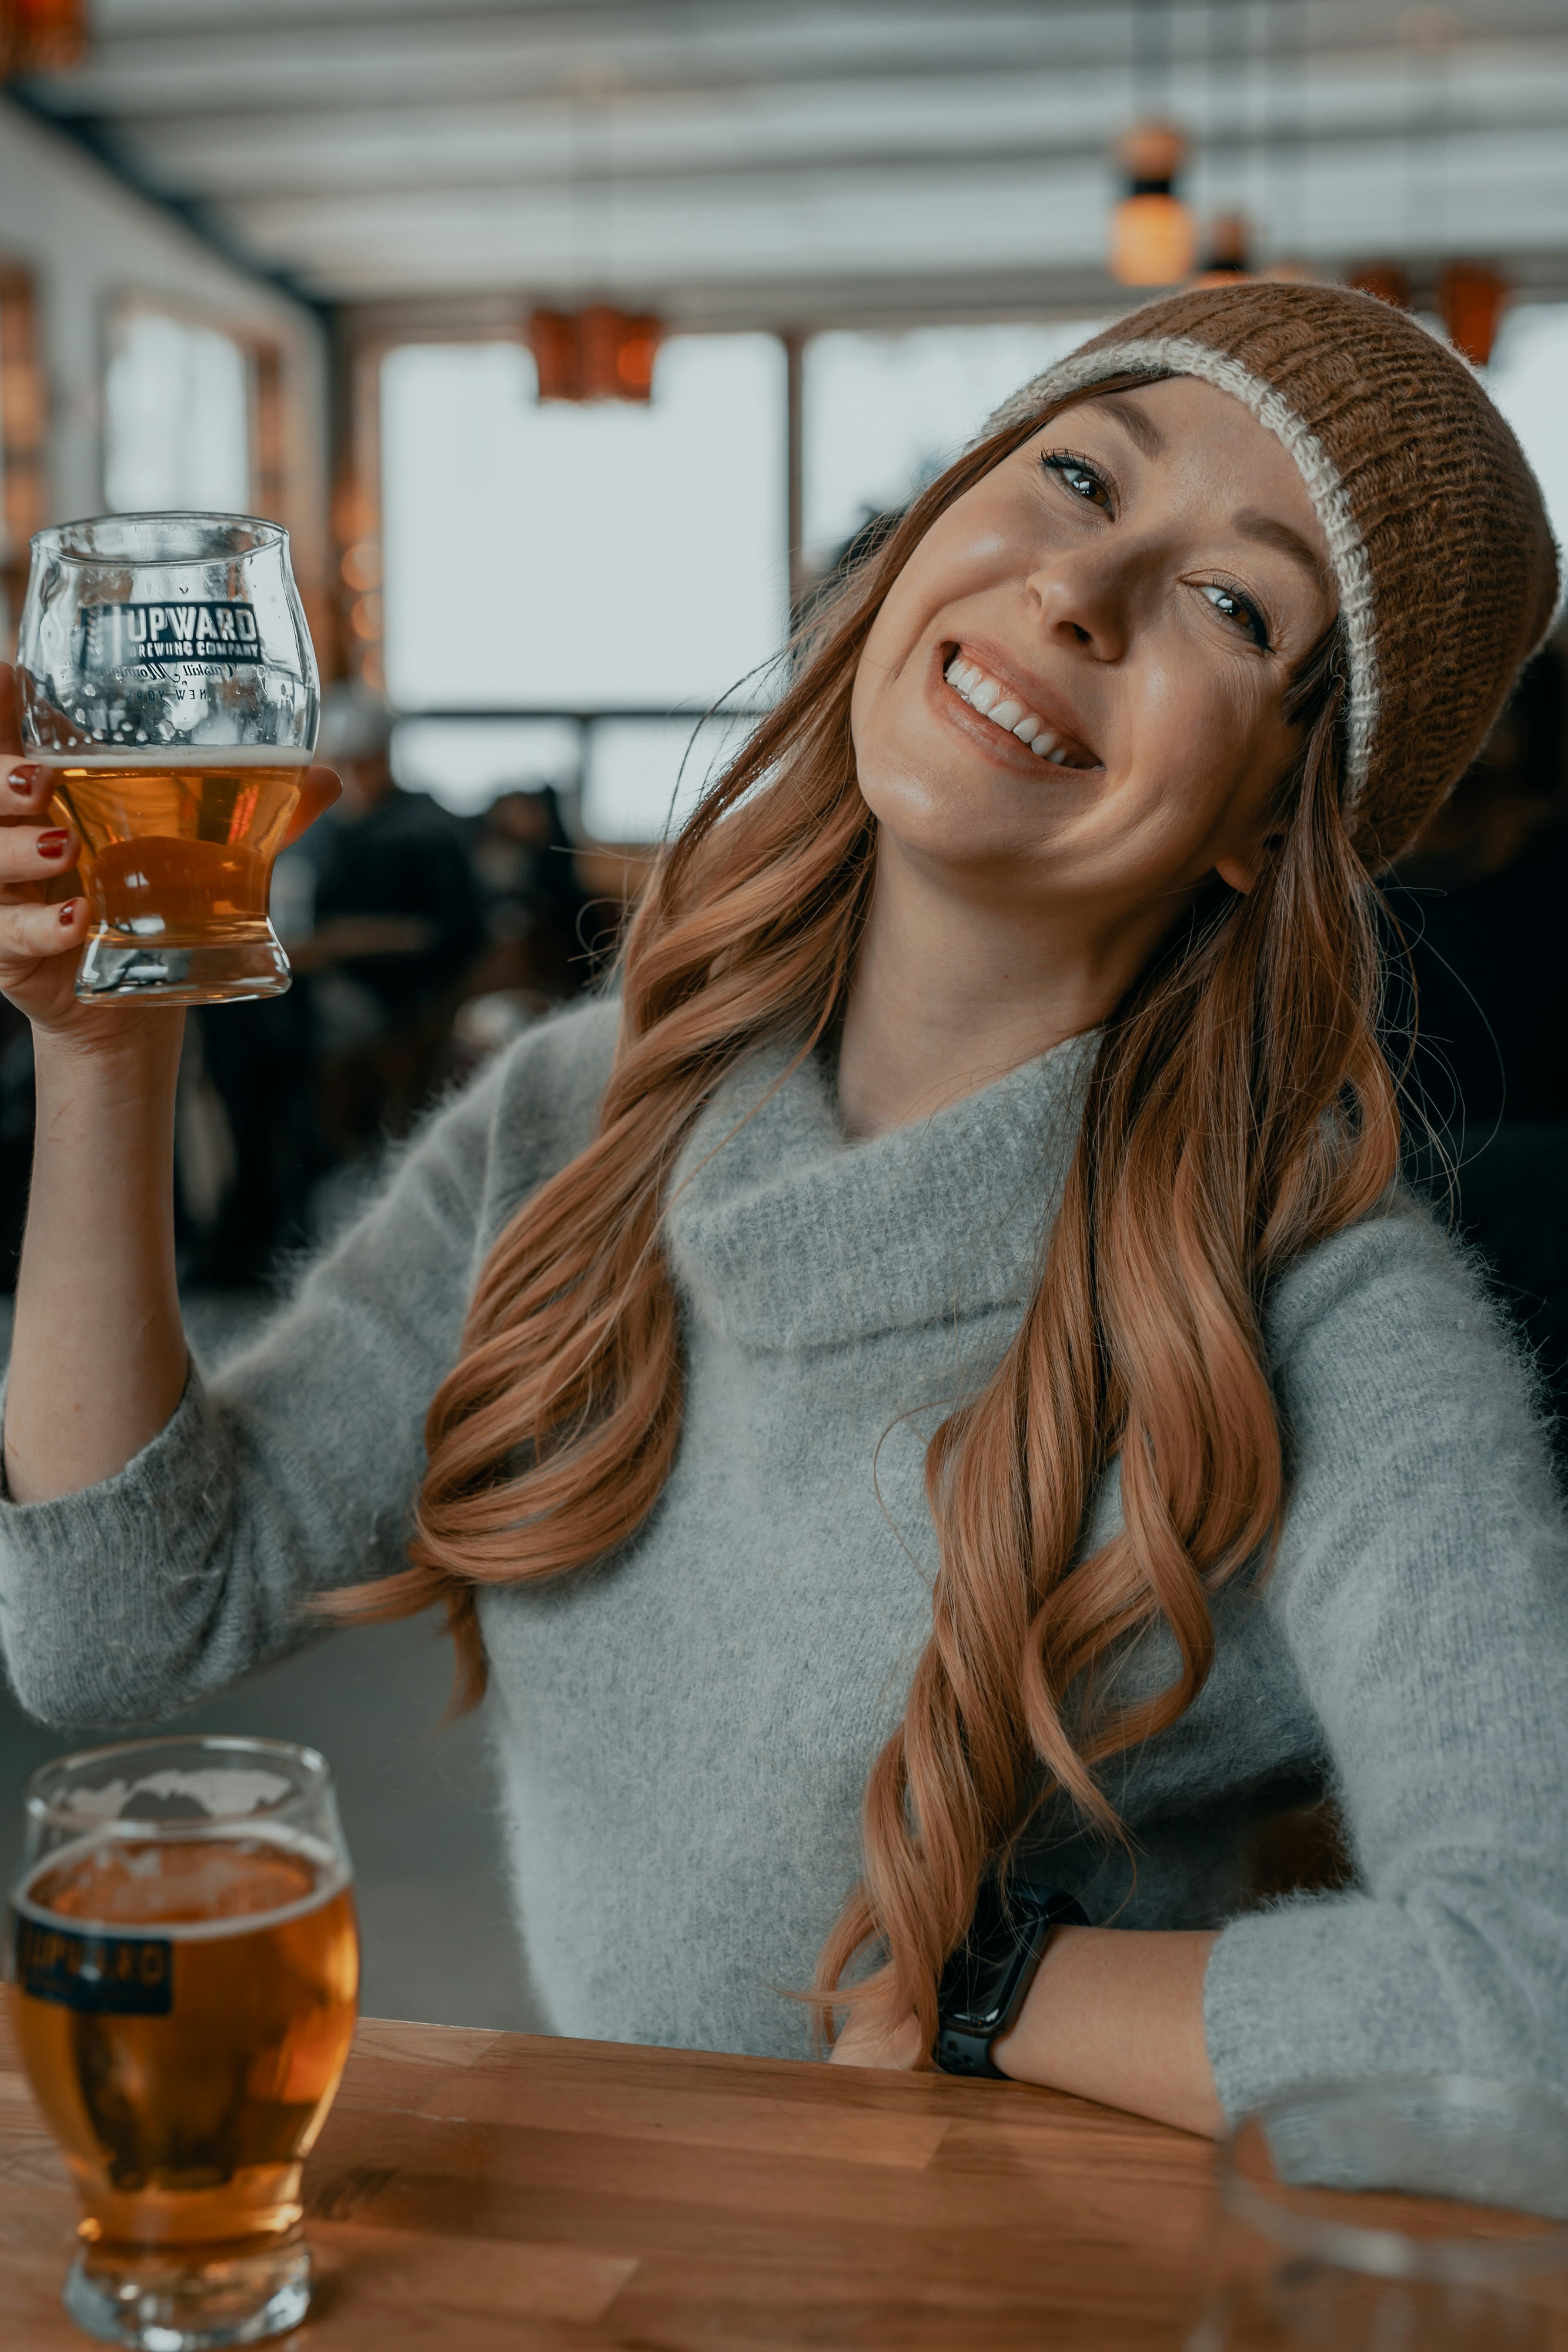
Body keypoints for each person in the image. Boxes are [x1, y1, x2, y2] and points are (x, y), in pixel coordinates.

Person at [2, 283, 1564, 2141]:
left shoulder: (1321, 1312)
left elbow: (1531, 2000)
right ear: (929, 536)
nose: (1084, 592)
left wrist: (999, 1983)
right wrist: (106, 1064)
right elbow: (117, 1632)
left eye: (1233, 604)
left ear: (1275, 816)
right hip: (643, 2261)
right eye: (1076, 478)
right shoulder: (576, 1121)